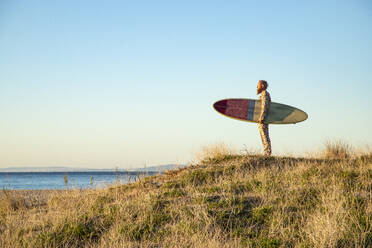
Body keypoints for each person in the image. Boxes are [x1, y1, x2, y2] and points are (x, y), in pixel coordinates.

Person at [257, 80, 272, 156]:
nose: (257, 87)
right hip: (263, 119)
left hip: (263, 119)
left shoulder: (265, 94)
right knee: (263, 135)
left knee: (265, 135)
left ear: (262, 85)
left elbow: (264, 106)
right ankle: (266, 152)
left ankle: (267, 152)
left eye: (258, 85)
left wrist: (262, 117)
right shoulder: (263, 94)